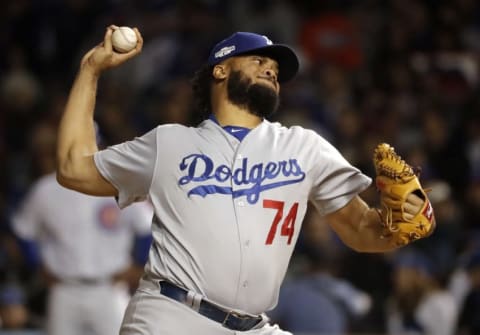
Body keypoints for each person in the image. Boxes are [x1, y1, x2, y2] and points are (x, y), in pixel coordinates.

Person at [55, 26, 432, 334]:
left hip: (254, 327)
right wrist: (90, 69)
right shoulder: (170, 142)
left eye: (275, 68)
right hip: (171, 316)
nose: (271, 69)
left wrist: (401, 219)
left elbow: (360, 231)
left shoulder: (304, 146)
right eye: (258, 60)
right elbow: (74, 168)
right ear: (220, 69)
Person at [10, 172, 153, 335]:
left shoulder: (119, 184)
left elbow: (147, 229)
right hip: (64, 287)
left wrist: (138, 266)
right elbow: (23, 231)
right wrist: (37, 266)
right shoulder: (46, 188)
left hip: (109, 289)